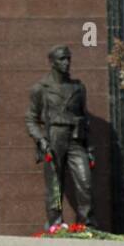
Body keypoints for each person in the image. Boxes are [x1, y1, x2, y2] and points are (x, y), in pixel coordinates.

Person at [26, 44, 95, 228]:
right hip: (54, 137)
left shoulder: (79, 87)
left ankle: (86, 225)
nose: (67, 62)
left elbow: (85, 118)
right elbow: (31, 119)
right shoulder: (41, 88)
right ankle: (55, 224)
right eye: (62, 59)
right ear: (52, 62)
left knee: (85, 182)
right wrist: (41, 140)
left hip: (75, 138)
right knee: (55, 186)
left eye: (68, 58)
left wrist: (89, 148)